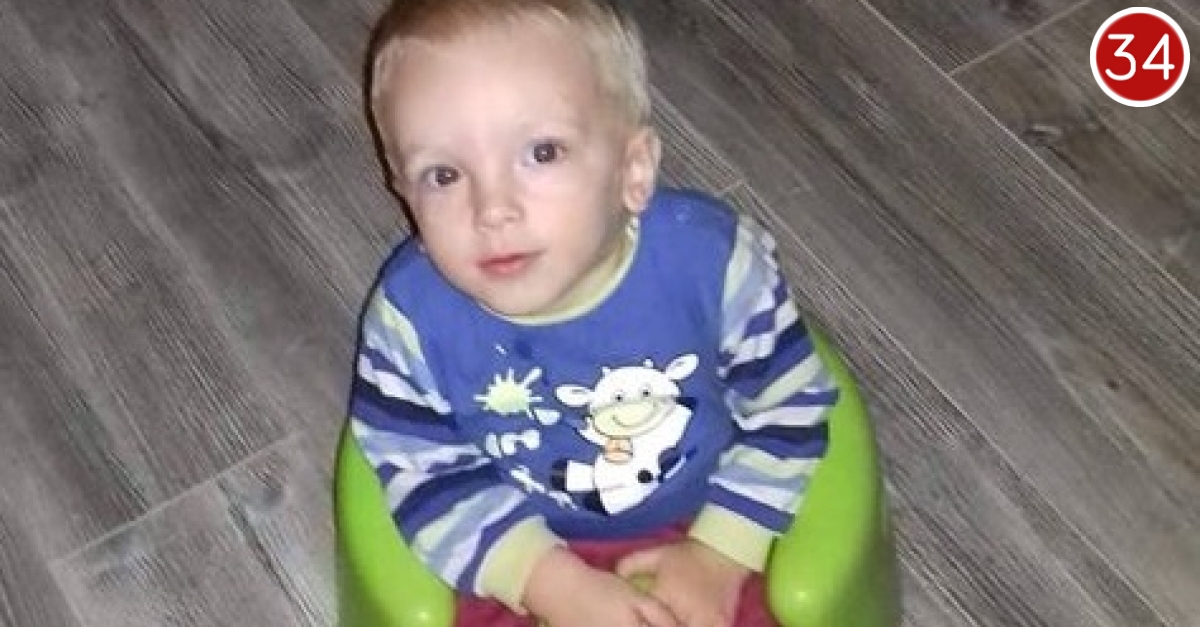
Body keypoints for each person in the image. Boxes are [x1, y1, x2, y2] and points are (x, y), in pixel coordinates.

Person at [348, 0, 838, 625]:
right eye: (443, 175)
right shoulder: (411, 322)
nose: (492, 209)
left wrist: (720, 552)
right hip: (509, 545)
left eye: (542, 153)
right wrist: (547, 582)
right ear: (402, 189)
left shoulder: (714, 267)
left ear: (633, 169)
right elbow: (421, 469)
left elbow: (790, 403)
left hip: (717, 512)